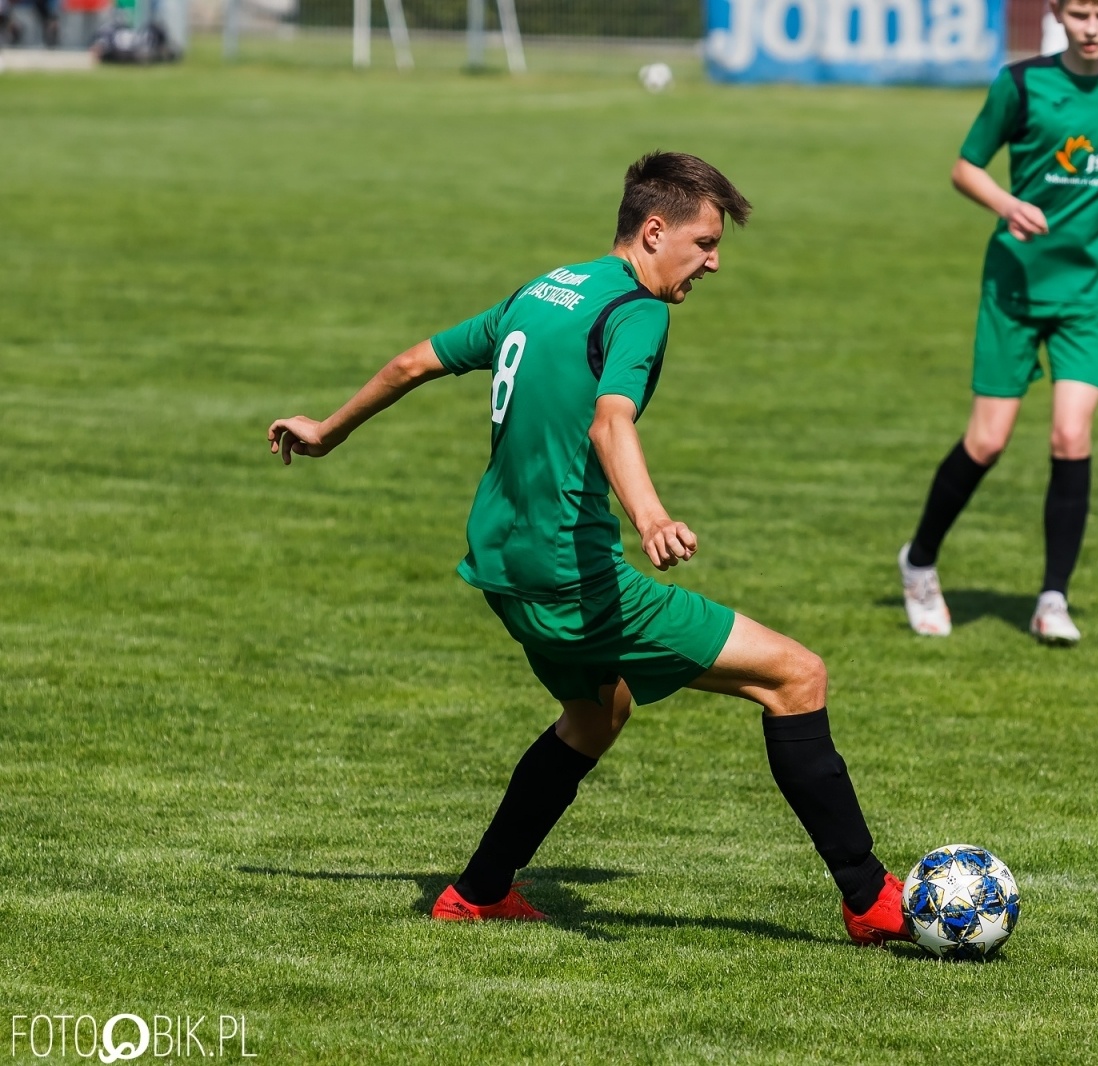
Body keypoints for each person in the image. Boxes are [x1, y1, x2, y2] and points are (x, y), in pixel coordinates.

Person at [267, 152, 911, 946]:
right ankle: (870, 899)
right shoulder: (639, 313)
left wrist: (327, 430)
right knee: (796, 675)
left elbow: (413, 362)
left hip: (503, 564)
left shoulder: (545, 289)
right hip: (573, 575)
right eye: (705, 243)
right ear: (652, 230)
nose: (713, 262)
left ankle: (477, 892)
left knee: (597, 710)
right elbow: (612, 421)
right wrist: (650, 517)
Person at [897, 0, 1098, 646]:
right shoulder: (1021, 85)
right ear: (1056, 14)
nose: (1090, 27)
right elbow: (965, 167)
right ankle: (920, 562)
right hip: (1014, 286)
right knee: (987, 441)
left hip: (1089, 292)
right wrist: (1007, 202)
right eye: (1078, 14)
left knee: (1072, 435)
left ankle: (1052, 599)